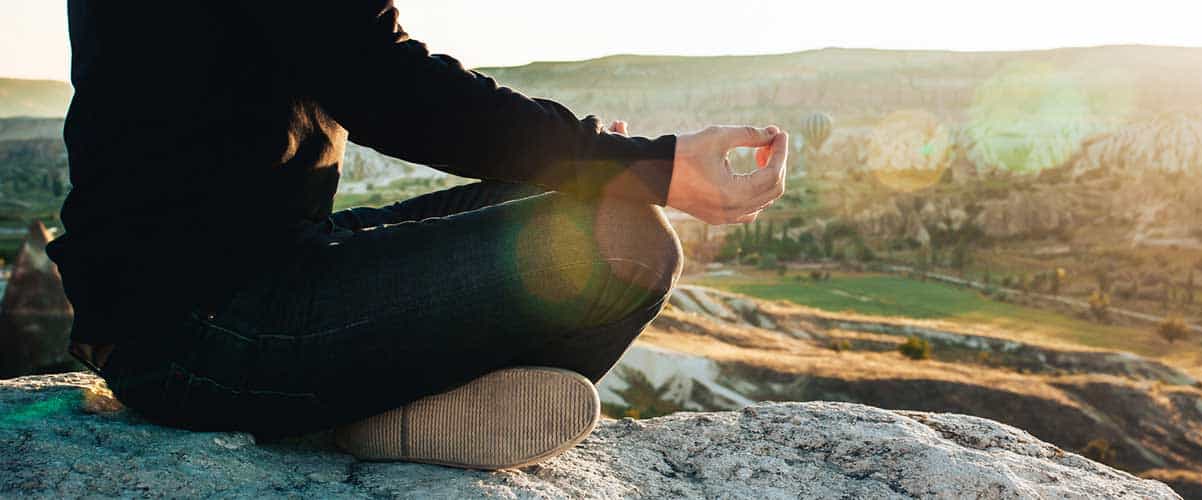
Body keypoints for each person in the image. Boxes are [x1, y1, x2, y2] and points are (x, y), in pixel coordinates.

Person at [55, 0, 787, 470]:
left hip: (215, 292)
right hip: (206, 326)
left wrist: (589, 166)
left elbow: (366, 66)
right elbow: (388, 87)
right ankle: (362, 423)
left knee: (584, 200)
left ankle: (366, 410)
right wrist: (646, 166)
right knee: (626, 239)